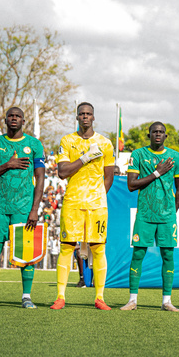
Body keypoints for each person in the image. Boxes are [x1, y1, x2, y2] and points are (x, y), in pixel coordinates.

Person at [0, 107, 45, 309]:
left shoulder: (34, 144)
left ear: (23, 121)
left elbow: (40, 177)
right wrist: (7, 165)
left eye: (18, 116)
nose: (14, 118)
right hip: (0, 206)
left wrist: (34, 209)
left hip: (24, 208)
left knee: (26, 253)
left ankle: (26, 296)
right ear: (6, 120)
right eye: (10, 116)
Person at [51, 102, 115, 310]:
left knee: (98, 248)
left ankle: (99, 297)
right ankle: (60, 297)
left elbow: (109, 177)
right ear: (77, 117)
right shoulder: (67, 141)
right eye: (82, 114)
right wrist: (85, 158)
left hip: (97, 204)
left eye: (88, 114)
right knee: (67, 246)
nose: (85, 116)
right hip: (73, 202)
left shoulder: (105, 143)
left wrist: (98, 196)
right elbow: (62, 172)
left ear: (93, 117)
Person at [120, 122, 179, 312]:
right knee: (138, 254)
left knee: (168, 255)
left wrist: (173, 210)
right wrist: (157, 172)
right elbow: (131, 185)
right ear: (149, 135)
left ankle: (167, 301)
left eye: (161, 132)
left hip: (167, 216)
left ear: (166, 136)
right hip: (145, 214)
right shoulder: (138, 154)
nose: (158, 134)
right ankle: (132, 300)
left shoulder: (175, 157)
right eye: (154, 132)